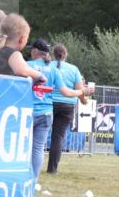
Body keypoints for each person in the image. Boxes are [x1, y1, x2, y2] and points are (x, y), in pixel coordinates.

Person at [25, 38, 79, 180]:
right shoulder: (54, 70)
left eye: (31, 50)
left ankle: (22, 176)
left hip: (28, 111)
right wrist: (81, 92)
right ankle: (33, 180)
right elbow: (66, 92)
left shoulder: (27, 65)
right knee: (38, 148)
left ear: (35, 52)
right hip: (46, 113)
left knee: (25, 146)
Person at [45, 44, 88, 174]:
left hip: (48, 103)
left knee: (39, 134)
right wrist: (84, 101)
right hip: (67, 105)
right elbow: (80, 90)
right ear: (65, 55)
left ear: (53, 54)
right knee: (58, 137)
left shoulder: (47, 66)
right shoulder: (74, 69)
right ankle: (52, 169)